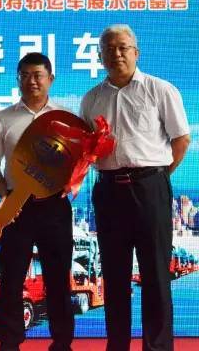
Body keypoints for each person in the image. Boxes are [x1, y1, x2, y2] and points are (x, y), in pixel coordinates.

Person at [80, 24, 190, 351]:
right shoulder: (91, 98)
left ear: (136, 52)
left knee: (156, 274)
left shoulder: (160, 90)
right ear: (100, 56)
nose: (116, 54)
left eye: (123, 47)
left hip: (149, 189)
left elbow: (181, 140)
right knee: (114, 276)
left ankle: (157, 347)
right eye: (109, 49)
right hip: (108, 192)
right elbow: (86, 149)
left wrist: (156, 177)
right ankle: (118, 345)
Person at [0, 52, 74, 351]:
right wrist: (5, 197)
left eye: (38, 75)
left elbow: (79, 162)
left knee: (58, 277)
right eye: (25, 75)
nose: (31, 81)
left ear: (51, 79)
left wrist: (72, 183)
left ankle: (62, 342)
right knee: (11, 276)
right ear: (18, 79)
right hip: (17, 206)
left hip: (55, 206)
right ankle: (9, 342)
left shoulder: (66, 119)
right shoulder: (3, 118)